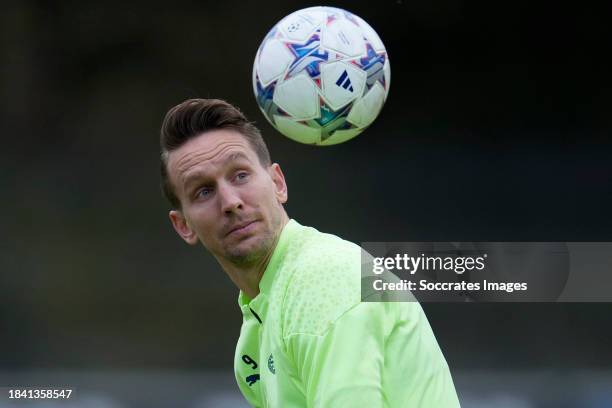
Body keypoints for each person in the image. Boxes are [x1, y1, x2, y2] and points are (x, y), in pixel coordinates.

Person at [160, 98, 461, 407]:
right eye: (204, 191)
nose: (230, 201)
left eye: (240, 175)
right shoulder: (254, 337)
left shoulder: (324, 277)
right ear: (184, 225)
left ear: (278, 183)